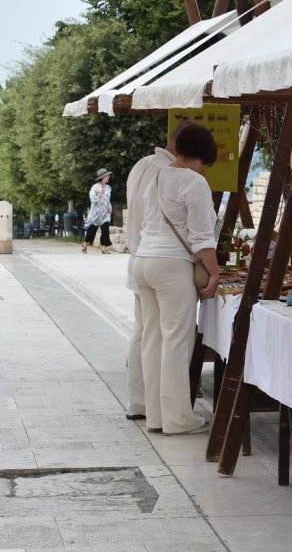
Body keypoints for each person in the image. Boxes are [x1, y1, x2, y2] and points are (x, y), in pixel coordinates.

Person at [133, 122, 220, 436]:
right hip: (171, 266)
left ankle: (156, 416)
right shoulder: (193, 183)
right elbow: (202, 239)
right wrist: (214, 272)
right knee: (176, 342)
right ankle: (178, 419)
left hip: (143, 260)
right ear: (203, 154)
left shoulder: (156, 176)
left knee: (152, 340)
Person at [123, 126, 183, 421]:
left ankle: (140, 401)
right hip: (161, 260)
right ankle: (160, 406)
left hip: (139, 258)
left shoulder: (140, 165)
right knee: (161, 335)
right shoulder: (168, 172)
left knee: (143, 332)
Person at [82, 168, 114, 253]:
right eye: (107, 176)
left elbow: (108, 199)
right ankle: (85, 244)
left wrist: (110, 207)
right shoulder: (95, 187)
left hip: (105, 212)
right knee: (92, 230)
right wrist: (100, 194)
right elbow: (93, 200)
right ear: (103, 177)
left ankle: (104, 248)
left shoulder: (108, 188)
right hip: (96, 213)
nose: (109, 177)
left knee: (105, 229)